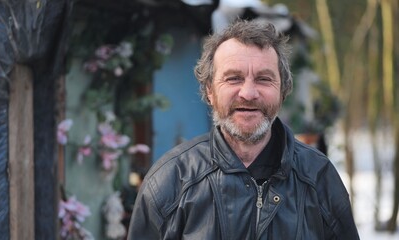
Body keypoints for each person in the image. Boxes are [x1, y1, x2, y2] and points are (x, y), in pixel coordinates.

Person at [127, 19, 360, 239]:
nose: (248, 93)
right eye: (233, 78)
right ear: (210, 90)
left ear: (283, 90)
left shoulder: (318, 178)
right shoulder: (169, 182)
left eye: (264, 79)